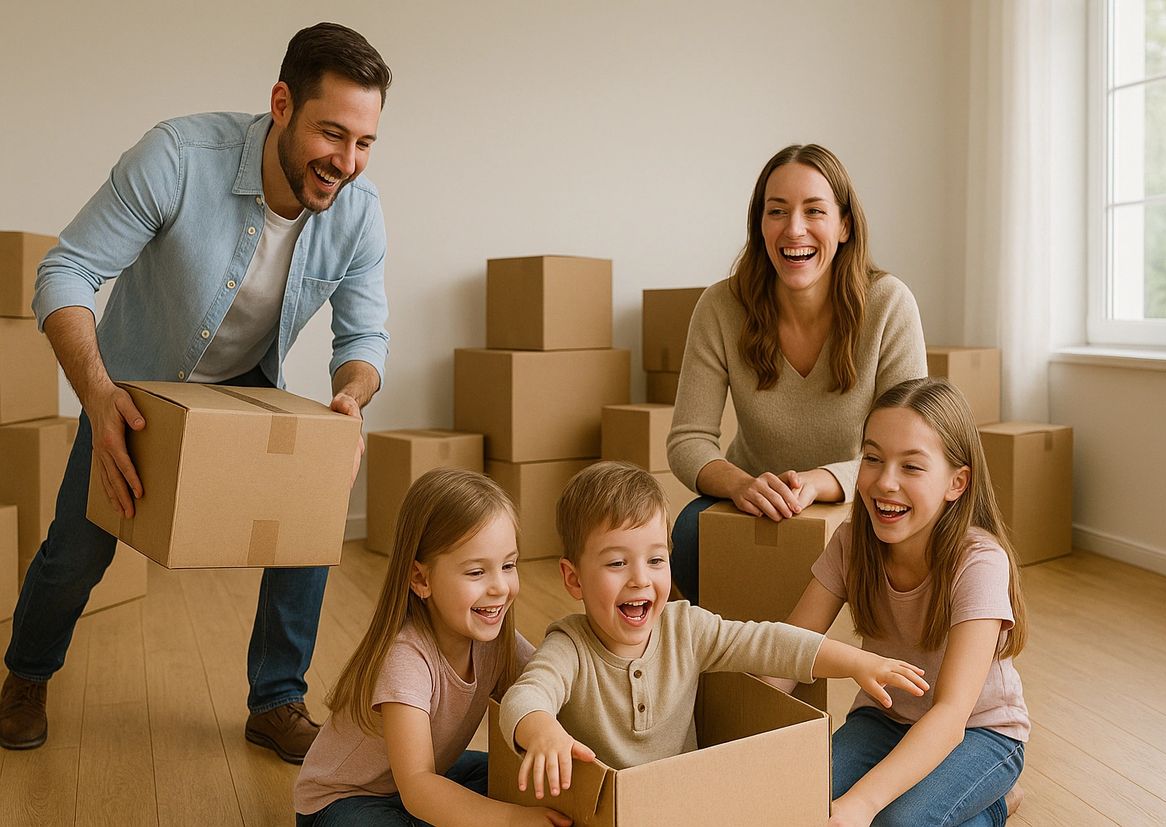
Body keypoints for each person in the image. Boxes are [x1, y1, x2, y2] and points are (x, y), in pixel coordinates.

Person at [0, 22, 392, 763]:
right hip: (133, 385)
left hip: (248, 387)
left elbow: (364, 341)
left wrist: (350, 399)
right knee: (76, 554)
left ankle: (277, 699)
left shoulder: (360, 210)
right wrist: (97, 393)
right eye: (331, 133)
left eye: (365, 142)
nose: (345, 162)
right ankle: (24, 675)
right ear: (281, 103)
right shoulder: (178, 157)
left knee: (309, 514)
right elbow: (65, 272)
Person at [498, 461, 928, 797]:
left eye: (655, 560)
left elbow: (770, 643)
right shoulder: (569, 646)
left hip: (685, 802)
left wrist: (857, 662)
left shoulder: (685, 628)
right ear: (573, 579)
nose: (640, 580)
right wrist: (543, 732)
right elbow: (527, 694)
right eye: (616, 563)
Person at [667, 144, 927, 604]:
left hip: (858, 493)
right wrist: (741, 484)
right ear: (760, 225)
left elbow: (910, 449)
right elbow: (688, 440)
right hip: (754, 496)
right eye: (777, 211)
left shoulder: (889, 304)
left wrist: (817, 482)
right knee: (689, 532)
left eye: (814, 211)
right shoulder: (720, 307)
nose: (794, 229)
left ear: (844, 225)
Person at [782, 378, 1028, 826]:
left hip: (979, 732)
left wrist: (861, 804)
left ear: (957, 483)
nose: (885, 482)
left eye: (911, 467)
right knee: (801, 803)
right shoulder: (851, 543)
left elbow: (952, 715)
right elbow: (790, 649)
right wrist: (727, 740)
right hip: (884, 718)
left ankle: (996, 801)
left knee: (893, 821)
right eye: (872, 459)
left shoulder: (980, 561)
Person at [294, 469, 570, 826]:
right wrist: (513, 819)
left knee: (530, 772)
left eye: (508, 565)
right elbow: (419, 787)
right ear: (421, 579)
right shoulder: (405, 659)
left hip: (427, 777)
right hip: (345, 801)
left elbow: (551, 685)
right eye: (476, 572)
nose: (500, 587)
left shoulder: (496, 640)